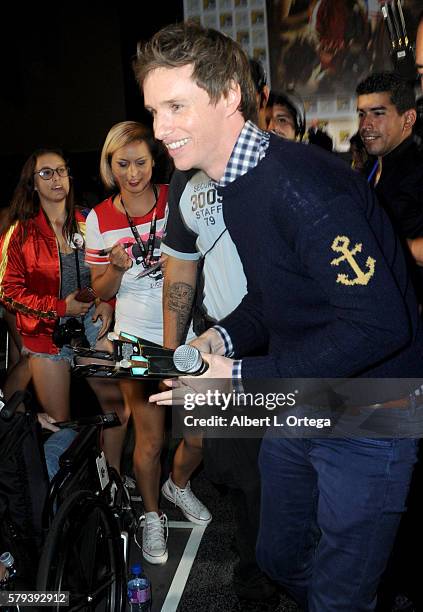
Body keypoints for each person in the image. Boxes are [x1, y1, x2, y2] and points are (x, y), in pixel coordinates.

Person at [136, 21, 423, 611]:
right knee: (275, 557)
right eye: (154, 109)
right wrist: (221, 335)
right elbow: (276, 297)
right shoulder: (234, 180)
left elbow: (380, 325)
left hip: (373, 412)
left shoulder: (300, 188)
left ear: (228, 97)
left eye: (176, 106)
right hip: (306, 398)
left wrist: (239, 378)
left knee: (340, 595)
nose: (161, 128)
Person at [85, 121, 211, 566]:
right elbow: (99, 291)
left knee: (199, 437)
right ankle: (152, 514)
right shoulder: (99, 217)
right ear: (109, 165)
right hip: (136, 339)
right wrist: (116, 269)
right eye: (123, 164)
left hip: (190, 331)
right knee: (151, 440)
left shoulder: (178, 196)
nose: (133, 173)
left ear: (153, 160)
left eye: (140, 162)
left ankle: (178, 483)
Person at [0, 148, 126, 472]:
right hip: (45, 333)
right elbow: (8, 292)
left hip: (88, 323)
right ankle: (57, 496)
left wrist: (107, 303)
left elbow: (105, 275)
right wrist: (59, 308)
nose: (57, 179)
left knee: (116, 408)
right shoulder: (22, 232)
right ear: (32, 183)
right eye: (46, 173)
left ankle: (109, 482)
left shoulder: (89, 221)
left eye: (61, 171)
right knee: (61, 424)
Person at [356, 72, 423, 302]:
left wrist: (392, 245)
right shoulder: (368, 171)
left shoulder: (418, 169)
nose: (365, 125)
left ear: (408, 119)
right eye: (362, 114)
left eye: (378, 113)